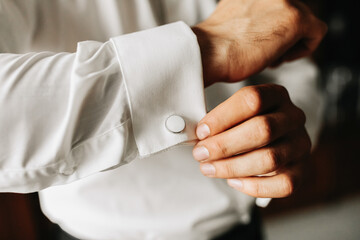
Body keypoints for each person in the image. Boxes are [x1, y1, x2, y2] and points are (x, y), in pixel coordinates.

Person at [0, 0, 326, 239]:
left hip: (240, 225)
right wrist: (207, 47)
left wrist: (284, 130)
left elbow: (292, 59)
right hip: (95, 232)